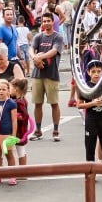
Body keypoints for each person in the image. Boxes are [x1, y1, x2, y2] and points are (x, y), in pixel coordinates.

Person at [77, 61, 102, 182]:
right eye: (93, 72)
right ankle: (90, 173)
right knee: (90, 147)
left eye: (99, 71)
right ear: (88, 72)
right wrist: (93, 103)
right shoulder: (85, 86)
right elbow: (79, 105)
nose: (96, 74)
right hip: (91, 120)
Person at [29, 12, 64, 141]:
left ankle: (56, 130)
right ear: (42, 23)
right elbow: (31, 49)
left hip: (52, 75)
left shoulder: (57, 37)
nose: (46, 23)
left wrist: (39, 57)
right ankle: (38, 130)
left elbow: (54, 51)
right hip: (37, 75)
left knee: (54, 103)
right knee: (37, 103)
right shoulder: (38, 36)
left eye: (49, 21)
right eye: (44, 21)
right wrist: (34, 57)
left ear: (53, 22)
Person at [9, 77, 31, 173]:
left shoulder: (19, 102)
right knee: (20, 150)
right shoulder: (17, 100)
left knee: (20, 151)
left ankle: (22, 172)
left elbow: (25, 116)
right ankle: (21, 171)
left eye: (10, 88)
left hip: (19, 130)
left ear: (16, 89)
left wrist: (15, 116)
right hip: (18, 129)